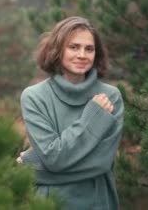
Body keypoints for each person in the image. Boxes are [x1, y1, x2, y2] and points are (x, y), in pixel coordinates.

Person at [18, 16, 124, 209]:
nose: (82, 55)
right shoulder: (34, 97)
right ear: (57, 51)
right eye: (73, 47)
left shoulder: (111, 97)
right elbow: (54, 158)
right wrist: (93, 118)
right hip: (50, 203)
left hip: (98, 201)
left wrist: (32, 167)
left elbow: (100, 163)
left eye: (89, 49)